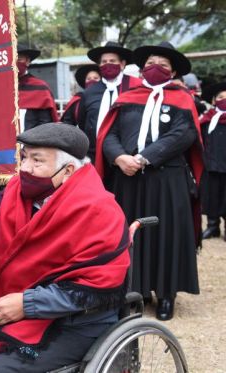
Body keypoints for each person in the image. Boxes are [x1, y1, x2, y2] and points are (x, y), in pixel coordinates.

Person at [0, 123, 130, 372]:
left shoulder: (99, 211)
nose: (25, 168)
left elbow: (92, 288)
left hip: (75, 321)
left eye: (37, 161)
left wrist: (27, 304)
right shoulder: (20, 191)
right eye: (24, 157)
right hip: (23, 307)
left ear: (68, 170)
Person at [96, 41, 203, 321]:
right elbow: (109, 134)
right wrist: (119, 158)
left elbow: (183, 135)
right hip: (128, 179)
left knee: (166, 234)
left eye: (163, 65)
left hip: (167, 179)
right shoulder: (129, 97)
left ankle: (167, 294)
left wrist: (143, 158)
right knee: (133, 234)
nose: (156, 68)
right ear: (143, 68)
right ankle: (138, 291)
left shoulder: (182, 98)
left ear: (173, 71)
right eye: (151, 63)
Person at [77, 41, 142, 162]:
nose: (108, 64)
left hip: (128, 155)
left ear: (122, 64)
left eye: (112, 61)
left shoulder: (137, 87)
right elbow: (83, 122)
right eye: (104, 62)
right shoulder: (89, 92)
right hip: (95, 154)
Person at [199, 82, 226, 239]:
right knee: (211, 197)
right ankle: (212, 225)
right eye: (221, 97)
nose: (224, 100)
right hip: (211, 166)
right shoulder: (207, 120)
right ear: (214, 100)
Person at [17, 44, 58, 132]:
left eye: (19, 59)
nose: (14, 62)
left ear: (27, 61)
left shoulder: (40, 88)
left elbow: (45, 124)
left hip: (29, 142)